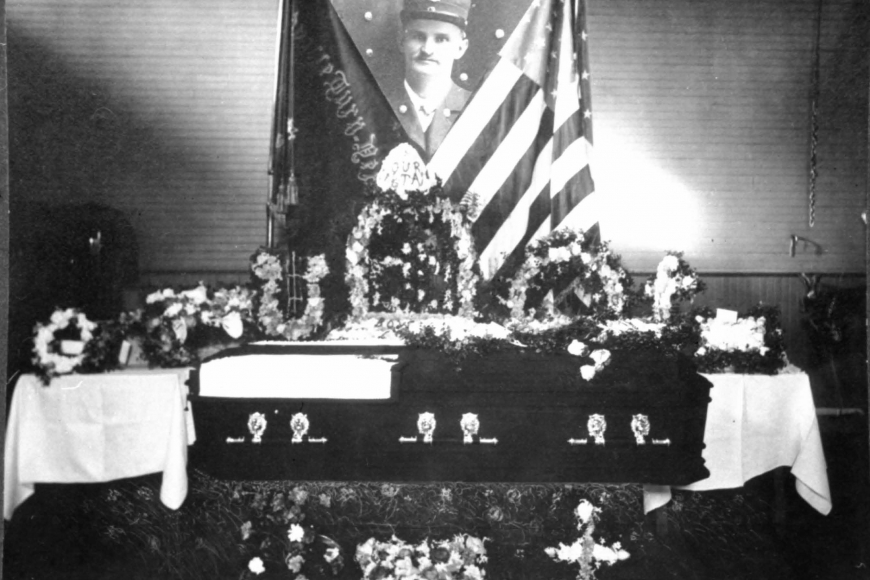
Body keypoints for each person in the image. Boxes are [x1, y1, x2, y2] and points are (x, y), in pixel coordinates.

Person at [386, 0, 472, 159]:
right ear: (401, 41)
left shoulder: (476, 109)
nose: (427, 49)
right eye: (418, 37)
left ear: (460, 48)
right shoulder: (378, 103)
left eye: (441, 39)